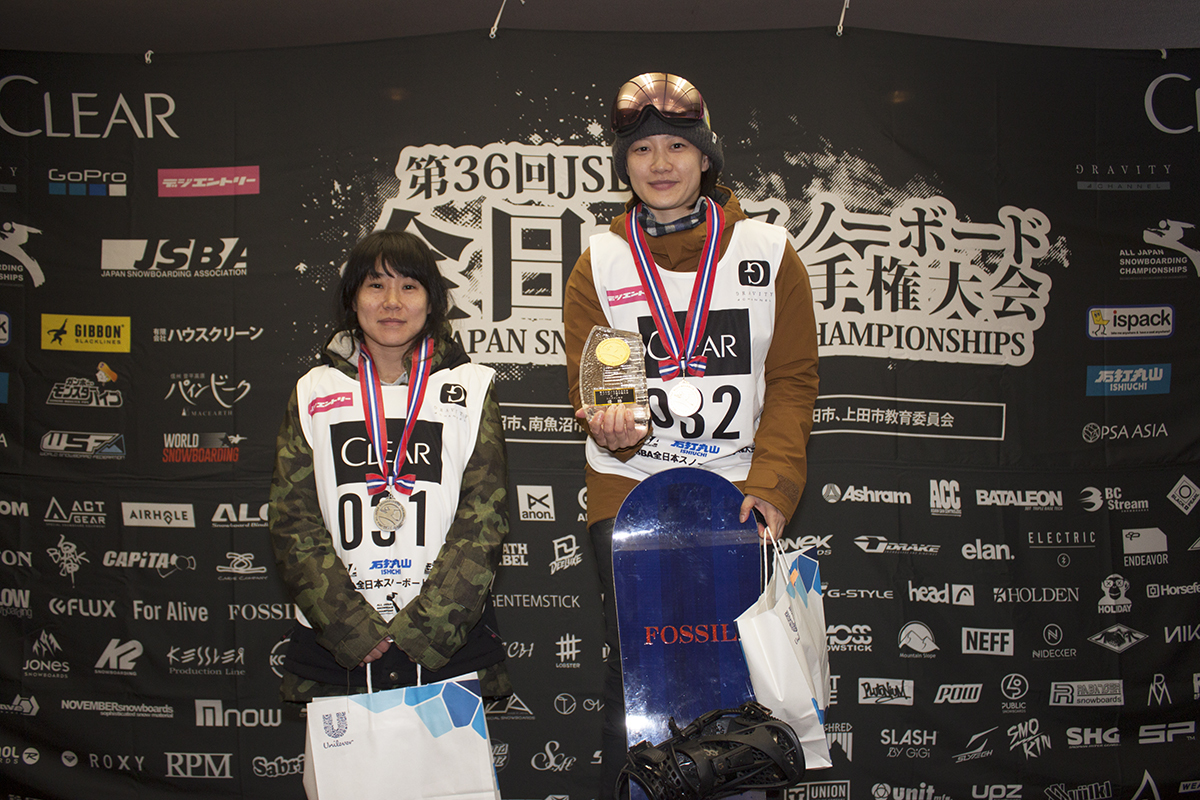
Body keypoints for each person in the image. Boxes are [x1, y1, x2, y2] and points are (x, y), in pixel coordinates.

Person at [563, 72, 820, 799]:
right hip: (632, 492)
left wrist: (774, 487)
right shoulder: (600, 261)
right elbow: (596, 381)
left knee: (743, 674)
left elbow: (793, 380)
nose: (660, 163)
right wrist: (609, 422)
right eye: (642, 149)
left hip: (736, 493)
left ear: (706, 158)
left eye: (678, 146)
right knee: (639, 676)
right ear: (624, 165)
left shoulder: (769, 251)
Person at [269, 230, 510, 796]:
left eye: (409, 286)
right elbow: (293, 519)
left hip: (444, 641)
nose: (392, 302)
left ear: (433, 299)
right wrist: (351, 628)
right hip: (339, 644)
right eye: (376, 285)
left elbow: (484, 518)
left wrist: (427, 626)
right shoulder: (312, 390)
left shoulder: (471, 387)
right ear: (353, 298)